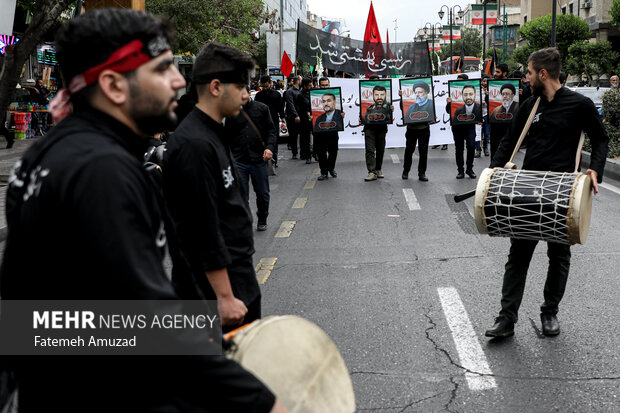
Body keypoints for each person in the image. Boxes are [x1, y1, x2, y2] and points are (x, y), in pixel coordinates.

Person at [0, 9, 286, 412]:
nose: (179, 81)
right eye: (163, 68)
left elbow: (37, 317)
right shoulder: (102, 171)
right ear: (115, 85)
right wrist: (262, 402)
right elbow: (147, 322)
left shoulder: (47, 153)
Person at [485, 47, 609, 339]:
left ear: (543, 74)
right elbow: (508, 142)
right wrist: (491, 175)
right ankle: (506, 319)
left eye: (529, 73)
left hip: (562, 192)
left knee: (559, 256)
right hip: (527, 190)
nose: (526, 79)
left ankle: (549, 312)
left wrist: (596, 170)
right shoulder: (529, 105)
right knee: (518, 255)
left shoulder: (579, 105)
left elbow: (601, 139)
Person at [163, 42, 264, 335]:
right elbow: (201, 226)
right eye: (241, 86)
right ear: (216, 87)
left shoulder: (213, 131)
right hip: (211, 293)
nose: (247, 95)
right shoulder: (195, 144)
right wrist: (224, 298)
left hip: (237, 277)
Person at [225, 87, 276, 231]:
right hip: (238, 160)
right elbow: (226, 136)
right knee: (241, 195)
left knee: (262, 194)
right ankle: (245, 221)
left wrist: (269, 148)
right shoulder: (231, 112)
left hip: (259, 159)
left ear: (249, 93)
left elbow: (271, 131)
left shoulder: (262, 109)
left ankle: (262, 218)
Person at [399, 89, 436, 181]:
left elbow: (432, 114)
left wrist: (432, 116)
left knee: (423, 152)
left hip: (424, 129)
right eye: (416, 93)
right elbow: (403, 108)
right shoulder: (412, 107)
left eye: (420, 92)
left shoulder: (430, 104)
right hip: (411, 129)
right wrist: (401, 97)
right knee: (409, 150)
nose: (418, 95)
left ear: (426, 93)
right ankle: (406, 171)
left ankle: (422, 173)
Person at [446, 75, 478, 179]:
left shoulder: (478, 106)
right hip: (457, 128)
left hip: (470, 127)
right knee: (459, 148)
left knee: (471, 146)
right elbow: (449, 111)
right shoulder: (458, 109)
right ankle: (460, 170)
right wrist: (448, 104)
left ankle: (469, 169)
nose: (468, 96)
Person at [363, 75, 393, 181]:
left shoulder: (388, 105)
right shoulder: (369, 107)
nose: (379, 97)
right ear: (373, 95)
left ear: (385, 95)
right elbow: (364, 118)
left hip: (381, 129)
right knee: (370, 150)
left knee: (380, 150)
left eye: (382, 95)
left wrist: (391, 111)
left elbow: (389, 117)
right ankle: (371, 171)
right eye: (377, 95)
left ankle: (378, 169)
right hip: (369, 129)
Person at [314, 77, 343, 180]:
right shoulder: (319, 117)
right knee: (321, 152)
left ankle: (331, 168)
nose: (324, 87)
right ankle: (324, 172)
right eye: (322, 85)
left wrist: (342, 117)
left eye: (326, 85)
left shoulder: (338, 112)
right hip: (319, 133)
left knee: (333, 151)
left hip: (332, 133)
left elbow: (341, 117)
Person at [255, 75, 285, 166]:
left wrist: (283, 120)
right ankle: (264, 159)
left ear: (270, 84)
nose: (265, 88)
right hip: (261, 123)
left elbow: (281, 108)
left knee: (274, 142)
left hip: (274, 121)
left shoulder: (277, 95)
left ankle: (274, 160)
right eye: (263, 86)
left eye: (266, 86)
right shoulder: (258, 95)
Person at [489, 63, 510, 160]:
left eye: (498, 72)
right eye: (495, 71)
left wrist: (522, 93)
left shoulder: (515, 85)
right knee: (494, 148)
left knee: (507, 150)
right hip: (495, 123)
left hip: (509, 124)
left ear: (504, 73)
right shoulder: (492, 85)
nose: (495, 74)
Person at [284, 75, 301, 159]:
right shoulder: (290, 92)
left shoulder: (301, 90)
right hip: (292, 117)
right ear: (297, 81)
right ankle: (294, 152)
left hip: (301, 116)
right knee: (293, 135)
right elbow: (290, 104)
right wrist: (296, 115)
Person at [298, 77, 313, 163]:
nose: (311, 87)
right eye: (309, 85)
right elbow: (306, 104)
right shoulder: (300, 95)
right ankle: (308, 156)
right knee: (306, 139)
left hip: (314, 118)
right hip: (305, 120)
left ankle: (315, 154)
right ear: (304, 86)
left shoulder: (313, 92)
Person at [476, 73, 491, 157]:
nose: (485, 83)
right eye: (484, 81)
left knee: (486, 133)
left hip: (487, 114)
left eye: (487, 81)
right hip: (478, 114)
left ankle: (485, 147)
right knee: (478, 133)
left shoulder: (491, 90)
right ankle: (478, 149)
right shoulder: (478, 90)